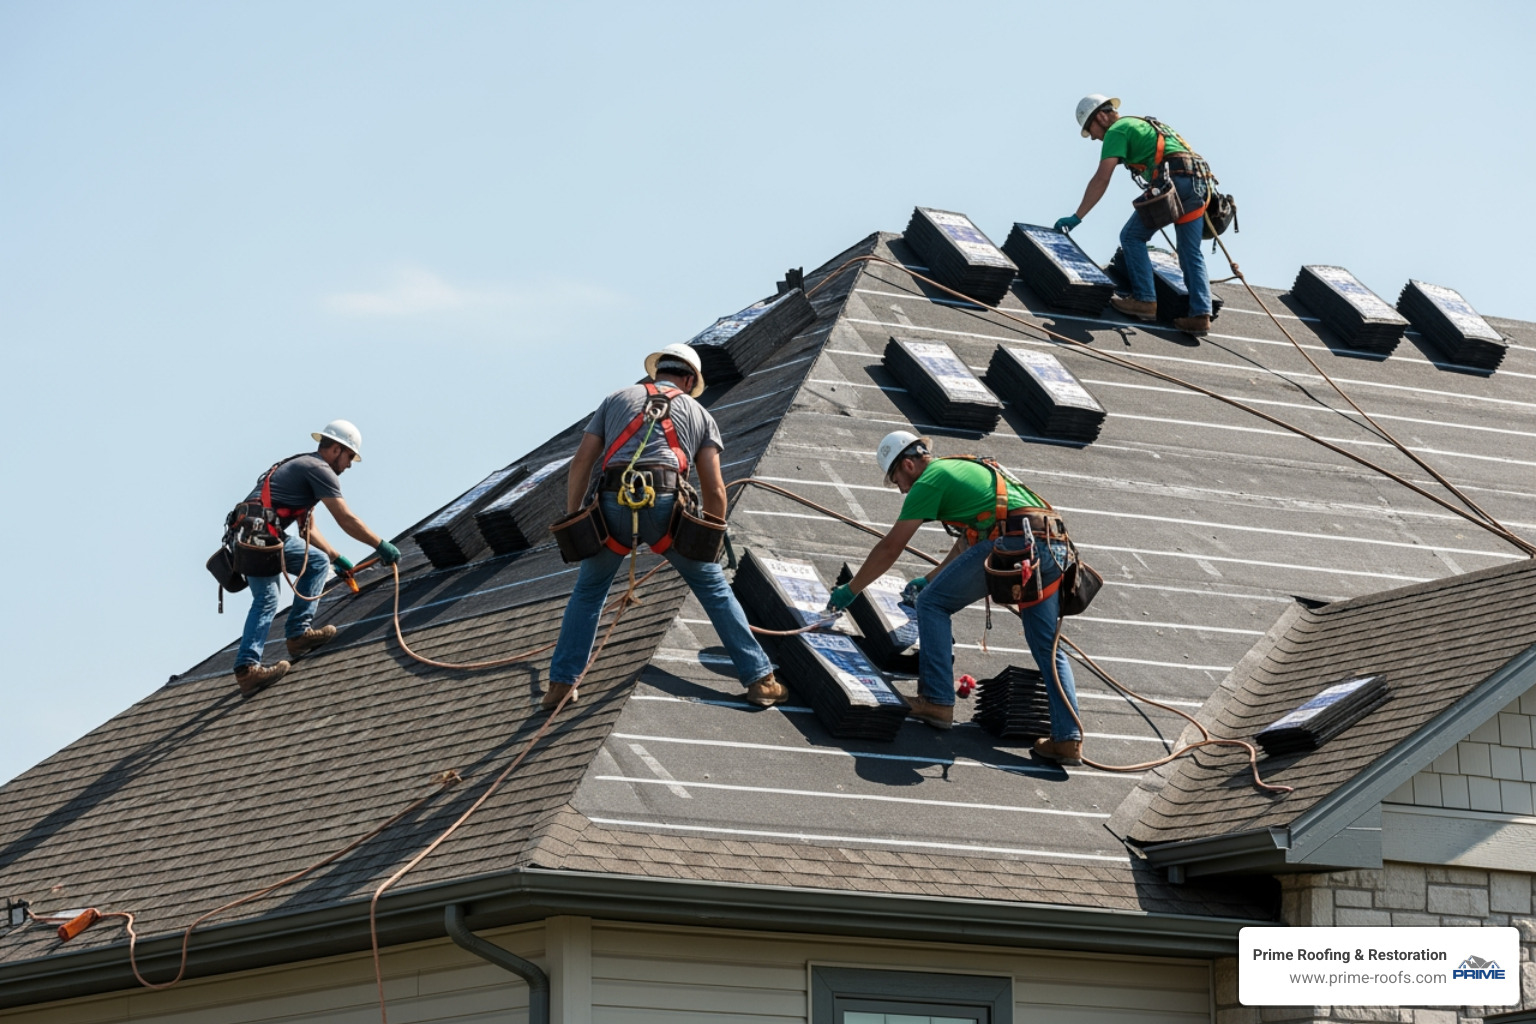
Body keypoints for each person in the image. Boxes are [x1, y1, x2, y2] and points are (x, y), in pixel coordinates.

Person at [545, 344, 782, 710]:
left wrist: (575, 517)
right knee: (713, 586)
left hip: (612, 504)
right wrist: (711, 535)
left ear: (657, 372)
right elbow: (715, 489)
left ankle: (561, 685)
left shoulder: (615, 399)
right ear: (689, 379)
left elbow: (581, 463)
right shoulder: (700, 414)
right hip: (666, 507)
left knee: (589, 591)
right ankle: (760, 681)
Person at [828, 431, 1083, 764]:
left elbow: (891, 546)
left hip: (1016, 543)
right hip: (1052, 545)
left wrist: (852, 589)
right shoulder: (958, 469)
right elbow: (971, 539)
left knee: (932, 604)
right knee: (1046, 645)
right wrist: (931, 577)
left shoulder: (928, 481)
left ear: (908, 464)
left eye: (898, 481)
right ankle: (1068, 740)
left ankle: (936, 700)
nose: (902, 489)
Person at [230, 420, 400, 696]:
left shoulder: (303, 466)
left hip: (252, 534)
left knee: (318, 563)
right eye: (348, 457)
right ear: (335, 449)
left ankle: (297, 636)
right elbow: (345, 517)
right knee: (267, 599)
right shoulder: (320, 469)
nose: (349, 466)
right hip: (260, 537)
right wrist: (380, 545)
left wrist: (336, 557)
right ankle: (251, 667)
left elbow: (307, 528)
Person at [1055, 94, 1214, 338]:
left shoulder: (1117, 130)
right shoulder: (1141, 124)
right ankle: (1200, 315)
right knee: (1190, 251)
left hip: (1176, 183)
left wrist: (1077, 216)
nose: (1095, 138)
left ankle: (1144, 300)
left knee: (1131, 236)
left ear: (1100, 117)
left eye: (1092, 130)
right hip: (1197, 184)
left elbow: (1101, 178)